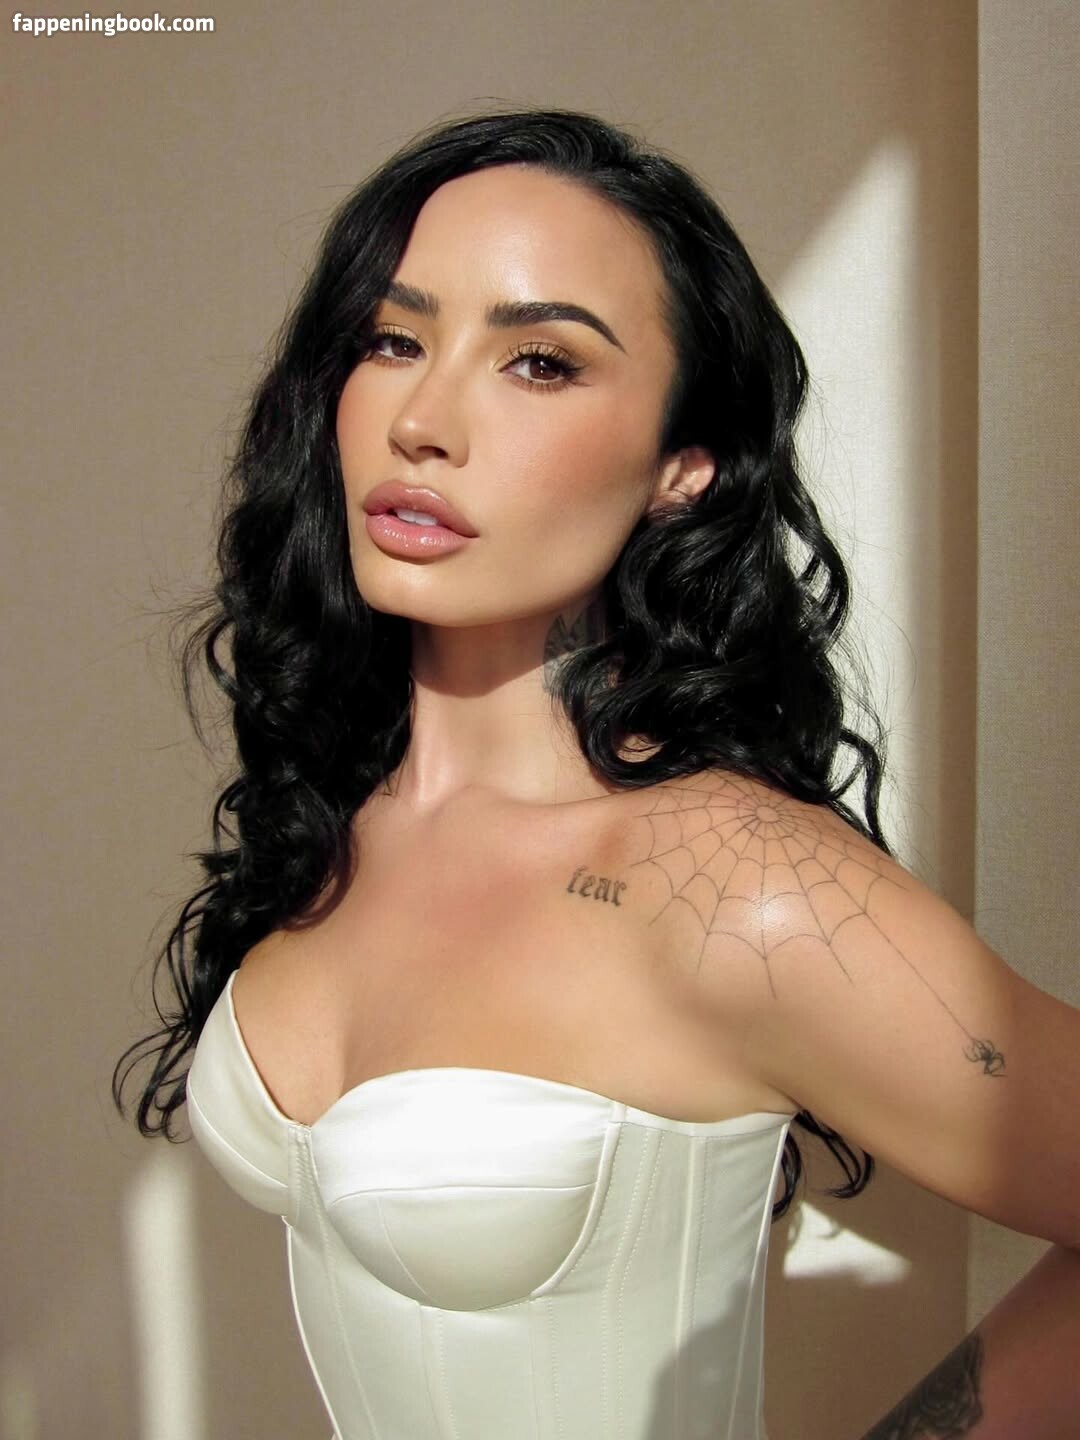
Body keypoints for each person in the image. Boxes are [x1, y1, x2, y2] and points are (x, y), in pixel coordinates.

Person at [114, 106, 1080, 1440]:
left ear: (683, 467)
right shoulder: (337, 811)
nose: (423, 421)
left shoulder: (733, 883)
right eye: (394, 341)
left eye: (542, 363)